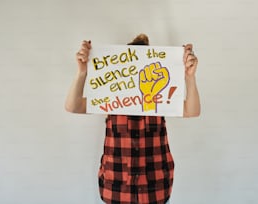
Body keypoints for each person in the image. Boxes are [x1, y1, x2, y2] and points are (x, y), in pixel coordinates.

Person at [65, 34, 200, 204]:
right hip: (116, 189)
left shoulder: (161, 96)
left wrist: (189, 77)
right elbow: (73, 106)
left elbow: (192, 111)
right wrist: (82, 72)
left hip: (155, 189)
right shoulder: (110, 97)